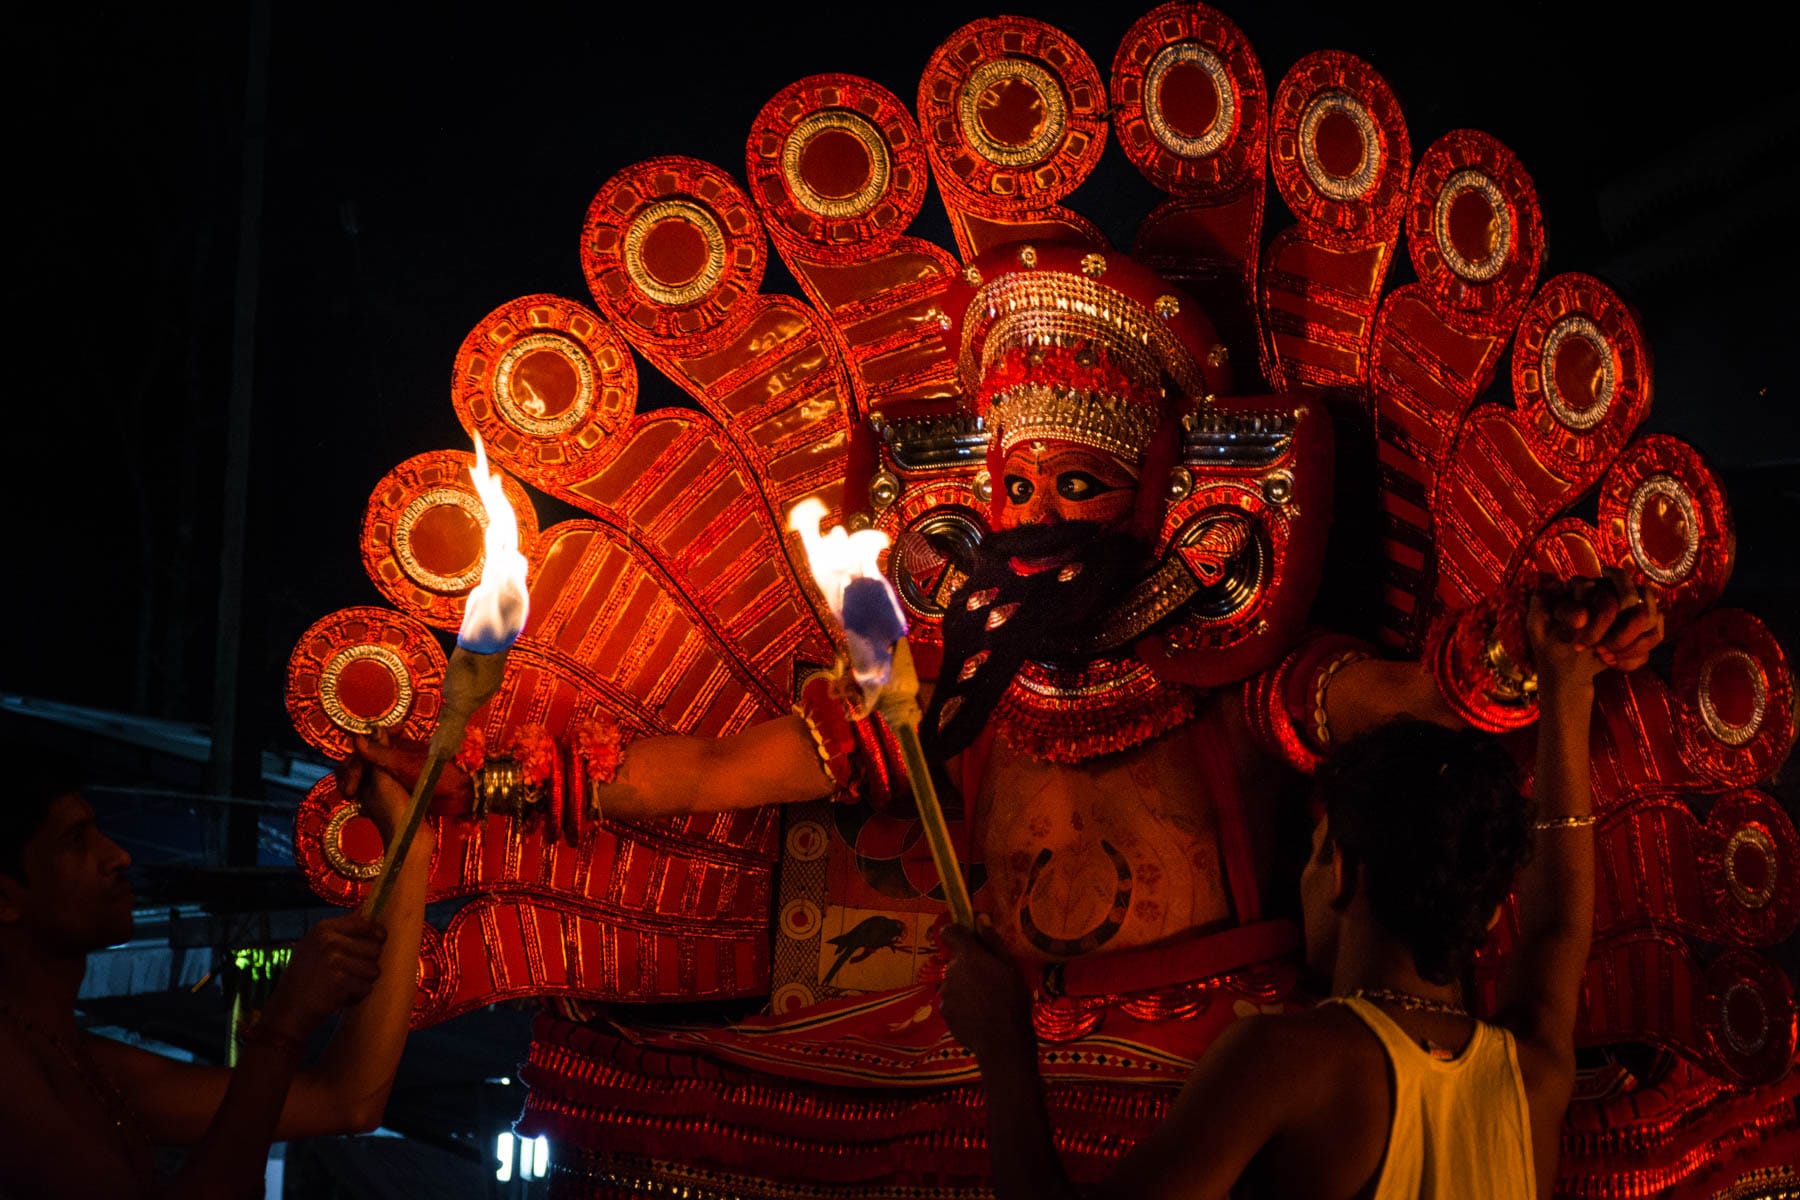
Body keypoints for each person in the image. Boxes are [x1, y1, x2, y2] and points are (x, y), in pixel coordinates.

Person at [940, 575, 1664, 1199]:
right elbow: (1556, 929)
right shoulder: (1530, 1073)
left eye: (1312, 853)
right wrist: (1570, 691)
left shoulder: (1291, 1060)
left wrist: (1004, 1046)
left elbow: (1556, 925)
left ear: (1345, 871)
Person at [0, 736, 432, 1199]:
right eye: (74, 840)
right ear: (6, 898)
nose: (118, 856)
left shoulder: (80, 1060)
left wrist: (410, 846)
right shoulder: (12, 1073)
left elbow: (347, 1102)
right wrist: (283, 1022)